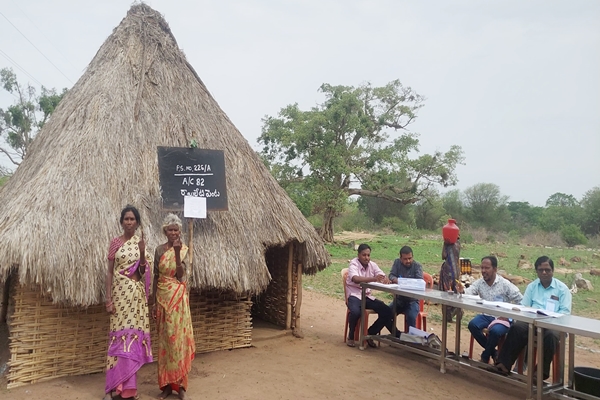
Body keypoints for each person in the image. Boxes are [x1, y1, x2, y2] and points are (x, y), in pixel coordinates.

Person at [489, 256, 572, 382]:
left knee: (551, 335)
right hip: (533, 323)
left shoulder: (562, 289)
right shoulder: (532, 287)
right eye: (541, 270)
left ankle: (539, 374)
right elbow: (524, 306)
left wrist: (549, 319)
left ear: (553, 271)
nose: (544, 272)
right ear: (536, 271)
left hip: (554, 325)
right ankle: (503, 365)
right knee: (517, 327)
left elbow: (565, 313)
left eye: (547, 270)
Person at [104, 205, 153, 400]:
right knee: (117, 340)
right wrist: (108, 299)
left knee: (131, 340)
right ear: (122, 221)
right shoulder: (115, 243)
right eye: (126, 219)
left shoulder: (140, 244)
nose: (129, 222)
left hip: (135, 300)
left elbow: (142, 274)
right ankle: (110, 388)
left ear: (138, 222)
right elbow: (109, 272)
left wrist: (141, 253)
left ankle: (129, 390)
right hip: (119, 297)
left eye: (133, 219)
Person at [150, 214, 196, 400]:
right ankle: (167, 386)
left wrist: (177, 254)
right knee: (165, 342)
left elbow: (180, 276)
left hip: (177, 300)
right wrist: (152, 302)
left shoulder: (183, 250)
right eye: (170, 229)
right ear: (165, 231)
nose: (173, 233)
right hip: (162, 299)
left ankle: (181, 386)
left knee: (178, 341)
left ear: (179, 231)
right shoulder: (159, 250)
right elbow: (155, 276)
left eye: (176, 229)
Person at [464, 256, 523, 363]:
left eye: (487, 268)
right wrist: (461, 290)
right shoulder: (480, 283)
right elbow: (468, 293)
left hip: (502, 318)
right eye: (482, 268)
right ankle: (493, 353)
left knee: (495, 331)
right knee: (472, 325)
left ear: (495, 269)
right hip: (486, 315)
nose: (483, 271)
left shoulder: (505, 284)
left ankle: (485, 357)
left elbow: (521, 300)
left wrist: (510, 315)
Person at [346, 244, 394, 348]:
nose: (366, 258)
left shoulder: (372, 265)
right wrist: (373, 279)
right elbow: (355, 279)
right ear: (358, 255)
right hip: (354, 295)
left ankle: (369, 334)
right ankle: (351, 336)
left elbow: (381, 275)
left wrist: (384, 279)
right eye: (364, 255)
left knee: (387, 311)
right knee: (355, 312)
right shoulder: (353, 264)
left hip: (367, 296)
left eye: (368, 255)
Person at [388, 246, 423, 330]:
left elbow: (420, 281)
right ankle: (396, 335)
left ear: (412, 257)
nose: (408, 261)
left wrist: (405, 282)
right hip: (399, 299)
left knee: (411, 317)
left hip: (412, 301)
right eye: (405, 259)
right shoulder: (397, 263)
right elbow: (391, 275)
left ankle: (411, 340)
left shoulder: (417, 266)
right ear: (400, 258)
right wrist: (395, 279)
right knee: (386, 313)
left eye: (410, 258)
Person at [439, 237, 461, 321]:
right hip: (456, 270)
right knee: (455, 292)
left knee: (446, 292)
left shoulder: (447, 244)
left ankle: (449, 314)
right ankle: (456, 310)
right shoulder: (458, 243)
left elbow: (444, 256)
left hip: (448, 270)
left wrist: (444, 244)